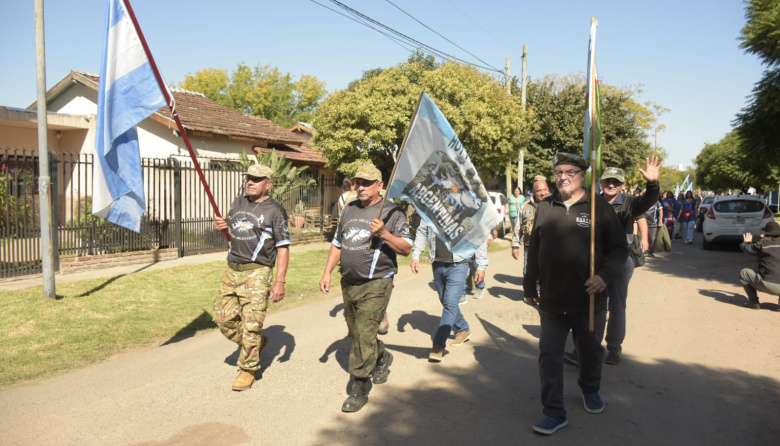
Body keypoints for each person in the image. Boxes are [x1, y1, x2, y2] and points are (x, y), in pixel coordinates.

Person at [523, 152, 628, 435]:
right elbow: (534, 250)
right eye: (559, 172)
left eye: (570, 172)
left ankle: (590, 388)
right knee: (549, 355)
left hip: (590, 300)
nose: (563, 177)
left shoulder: (598, 208)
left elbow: (620, 250)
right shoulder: (545, 207)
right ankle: (554, 412)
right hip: (553, 301)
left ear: (583, 176)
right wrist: (529, 285)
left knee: (591, 351)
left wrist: (605, 276)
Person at [319, 162, 412, 413]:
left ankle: (359, 385)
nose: (359, 187)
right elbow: (338, 243)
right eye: (357, 182)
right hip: (349, 282)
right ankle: (382, 356)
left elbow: (406, 248)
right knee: (358, 334)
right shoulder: (349, 210)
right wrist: (327, 272)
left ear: (380, 186)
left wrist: (384, 234)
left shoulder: (393, 213)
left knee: (364, 334)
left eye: (365, 182)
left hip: (377, 283)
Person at [212, 163, 290, 391]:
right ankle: (255, 343)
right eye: (249, 178)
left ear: (268, 184)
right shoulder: (238, 202)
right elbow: (231, 228)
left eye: (257, 179)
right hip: (231, 269)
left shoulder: (274, 210)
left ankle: (248, 369)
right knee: (222, 318)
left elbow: (283, 247)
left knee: (252, 325)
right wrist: (221, 226)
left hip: (257, 272)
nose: (250, 182)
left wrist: (279, 282)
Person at [412, 219, 488, 362]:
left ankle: (438, 345)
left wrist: (481, 265)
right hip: (437, 263)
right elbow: (422, 231)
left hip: (459, 263)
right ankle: (463, 328)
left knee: (450, 303)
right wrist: (416, 256)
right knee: (444, 300)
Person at [511, 177, 550, 305]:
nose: (543, 193)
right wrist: (515, 245)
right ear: (533, 192)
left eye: (545, 190)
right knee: (528, 271)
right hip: (530, 246)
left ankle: (542, 295)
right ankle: (530, 294)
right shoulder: (525, 206)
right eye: (539, 190)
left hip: (549, 247)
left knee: (547, 271)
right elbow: (518, 227)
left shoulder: (554, 205)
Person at [739, 221, 780, 310]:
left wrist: (747, 242)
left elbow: (747, 249)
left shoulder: (763, 245)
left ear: (765, 234)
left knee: (744, 273)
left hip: (769, 284)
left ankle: (753, 302)